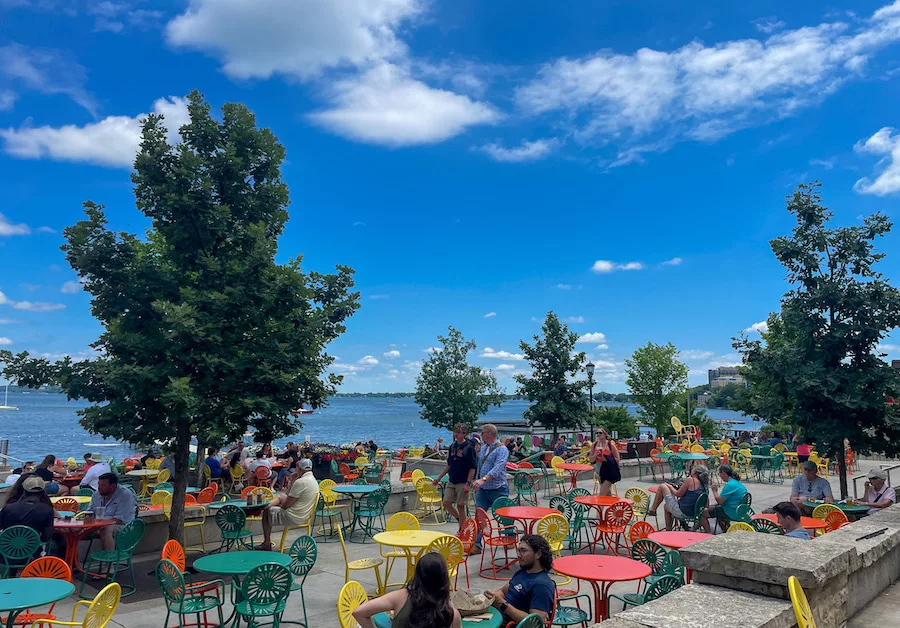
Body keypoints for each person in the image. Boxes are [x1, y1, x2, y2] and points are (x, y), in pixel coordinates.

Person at [352, 551, 462, 628]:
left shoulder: (401, 597)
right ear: (444, 580)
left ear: (417, 575)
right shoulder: (452, 614)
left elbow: (359, 612)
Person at [484, 535, 556, 624]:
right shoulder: (523, 572)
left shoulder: (542, 585)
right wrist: (492, 596)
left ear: (538, 554)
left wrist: (503, 605)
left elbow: (535, 622)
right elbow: (503, 591)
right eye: (519, 550)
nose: (518, 555)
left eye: (523, 550)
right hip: (494, 617)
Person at [257, 458, 317, 551]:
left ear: (299, 469)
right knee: (281, 497)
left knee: (267, 512)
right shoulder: (313, 480)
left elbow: (286, 505)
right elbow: (290, 496)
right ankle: (266, 505)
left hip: (294, 516)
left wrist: (279, 504)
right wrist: (293, 481)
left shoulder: (301, 482)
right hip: (304, 514)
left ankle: (266, 542)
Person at [471, 423, 509, 554]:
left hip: (498, 488)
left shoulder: (501, 449)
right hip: (483, 489)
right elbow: (480, 465)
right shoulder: (483, 448)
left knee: (503, 516)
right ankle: (476, 544)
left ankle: (510, 535)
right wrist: (477, 481)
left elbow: (498, 468)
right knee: (479, 516)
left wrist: (483, 479)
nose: (481, 435)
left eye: (483, 433)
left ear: (490, 434)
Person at [433, 424, 477, 531]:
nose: (456, 434)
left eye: (459, 432)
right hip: (452, 480)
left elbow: (472, 467)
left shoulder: (469, 448)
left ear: (464, 434)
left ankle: (462, 529)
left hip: (463, 481)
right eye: (455, 432)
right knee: (446, 503)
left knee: (460, 505)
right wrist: (438, 478)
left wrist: (468, 483)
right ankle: (460, 520)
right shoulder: (453, 446)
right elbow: (449, 465)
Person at [648, 465, 710, 531]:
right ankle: (670, 528)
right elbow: (707, 504)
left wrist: (670, 486)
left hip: (683, 512)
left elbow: (678, 494)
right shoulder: (704, 485)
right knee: (666, 506)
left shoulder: (690, 480)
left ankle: (652, 510)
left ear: (695, 472)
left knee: (663, 486)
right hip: (695, 513)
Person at [0, 474, 55, 542]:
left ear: (24, 490)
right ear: (42, 491)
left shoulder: (8, 508)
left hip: (6, 549)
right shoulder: (47, 509)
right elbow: (46, 536)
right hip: (34, 550)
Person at [89, 472, 137, 550]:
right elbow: (90, 512)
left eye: (102, 485)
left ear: (113, 487)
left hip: (122, 526)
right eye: (98, 485)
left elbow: (119, 519)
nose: (99, 488)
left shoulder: (125, 495)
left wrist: (100, 524)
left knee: (105, 529)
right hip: (98, 524)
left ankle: (109, 559)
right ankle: (72, 560)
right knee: (73, 531)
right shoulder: (96, 494)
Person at [704, 465, 747, 531]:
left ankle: (706, 532)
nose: (719, 476)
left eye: (719, 473)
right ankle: (725, 529)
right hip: (738, 510)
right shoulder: (736, 482)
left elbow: (720, 501)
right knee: (711, 507)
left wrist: (714, 491)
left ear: (723, 473)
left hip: (731, 511)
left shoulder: (730, 485)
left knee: (702, 512)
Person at [588, 428, 621, 497]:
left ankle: (600, 508)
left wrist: (605, 459)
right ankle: (613, 507)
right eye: (596, 433)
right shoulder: (594, 445)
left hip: (609, 471)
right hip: (599, 470)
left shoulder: (610, 445)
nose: (598, 434)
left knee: (602, 494)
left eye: (600, 433)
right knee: (607, 493)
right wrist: (595, 455)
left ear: (605, 434)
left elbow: (617, 459)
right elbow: (591, 460)